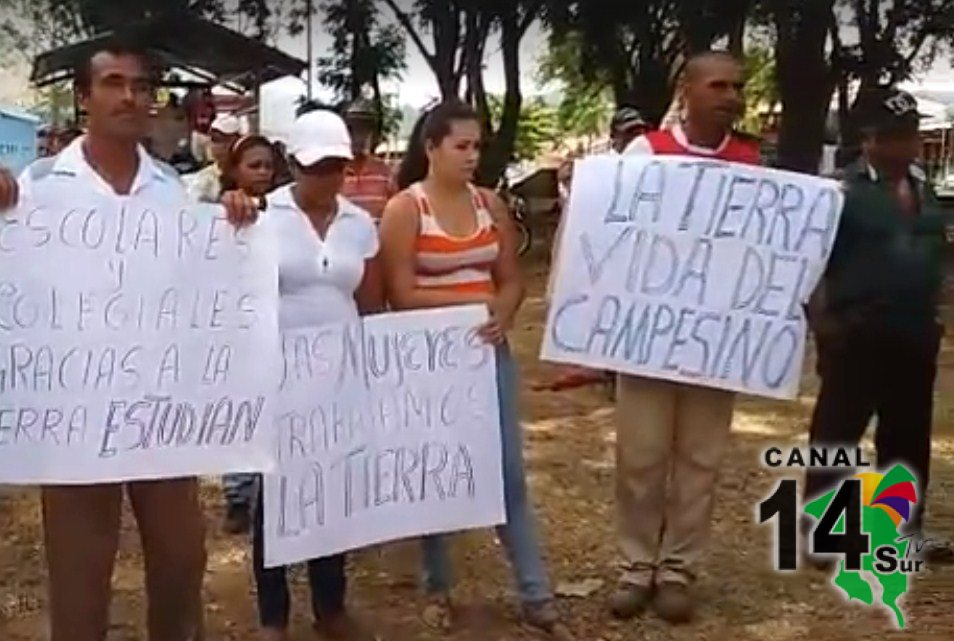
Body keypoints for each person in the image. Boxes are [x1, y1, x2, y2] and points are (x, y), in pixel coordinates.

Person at [0, 38, 258, 641]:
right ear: (84, 97)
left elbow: (205, 291)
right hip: (76, 421)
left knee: (180, 562)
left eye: (141, 86)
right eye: (113, 83)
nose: (129, 96)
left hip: (161, 416)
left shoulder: (173, 192)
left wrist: (239, 221)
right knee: (81, 582)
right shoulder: (35, 190)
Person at [379, 102, 572, 639]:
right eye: (461, 146)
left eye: (477, 146)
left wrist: (503, 311)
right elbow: (399, 289)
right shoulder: (406, 208)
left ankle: (536, 593)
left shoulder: (490, 204)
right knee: (439, 469)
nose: (471, 156)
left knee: (507, 471)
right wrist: (466, 310)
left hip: (488, 354)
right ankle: (438, 585)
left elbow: (511, 277)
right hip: (429, 360)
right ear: (431, 147)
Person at [610, 50, 759, 625]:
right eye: (718, 85)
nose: (730, 96)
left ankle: (678, 569)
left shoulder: (750, 162)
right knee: (641, 455)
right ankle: (635, 565)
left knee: (701, 458)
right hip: (648, 337)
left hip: (714, 341)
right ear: (687, 90)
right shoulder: (646, 153)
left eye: (737, 87)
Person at [223, 109, 384, 641]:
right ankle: (274, 616)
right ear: (293, 164)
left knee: (331, 489)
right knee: (276, 497)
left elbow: (370, 302)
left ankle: (330, 606)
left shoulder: (360, 226)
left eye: (337, 166)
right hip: (278, 374)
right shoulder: (261, 220)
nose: (327, 178)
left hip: (339, 374)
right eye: (316, 167)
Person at [804, 86, 954, 565]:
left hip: (912, 333)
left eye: (908, 136)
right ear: (868, 139)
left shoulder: (924, 188)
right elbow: (810, 264)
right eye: (891, 137)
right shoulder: (841, 192)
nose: (903, 146)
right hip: (857, 332)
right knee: (837, 432)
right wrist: (823, 324)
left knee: (907, 434)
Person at [216, 134, 279, 535]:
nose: (262, 173)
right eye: (253, 166)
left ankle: (272, 488)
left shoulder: (285, 211)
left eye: (268, 166)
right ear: (236, 170)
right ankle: (238, 496)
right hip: (235, 328)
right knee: (240, 410)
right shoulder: (217, 214)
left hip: (275, 324)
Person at [341, 98, 395, 221]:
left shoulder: (387, 174)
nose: (359, 136)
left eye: (365, 129)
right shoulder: (334, 175)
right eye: (352, 129)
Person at [186, 112, 244, 202]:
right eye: (214, 139)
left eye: (225, 140)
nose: (219, 146)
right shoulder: (203, 181)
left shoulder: (250, 176)